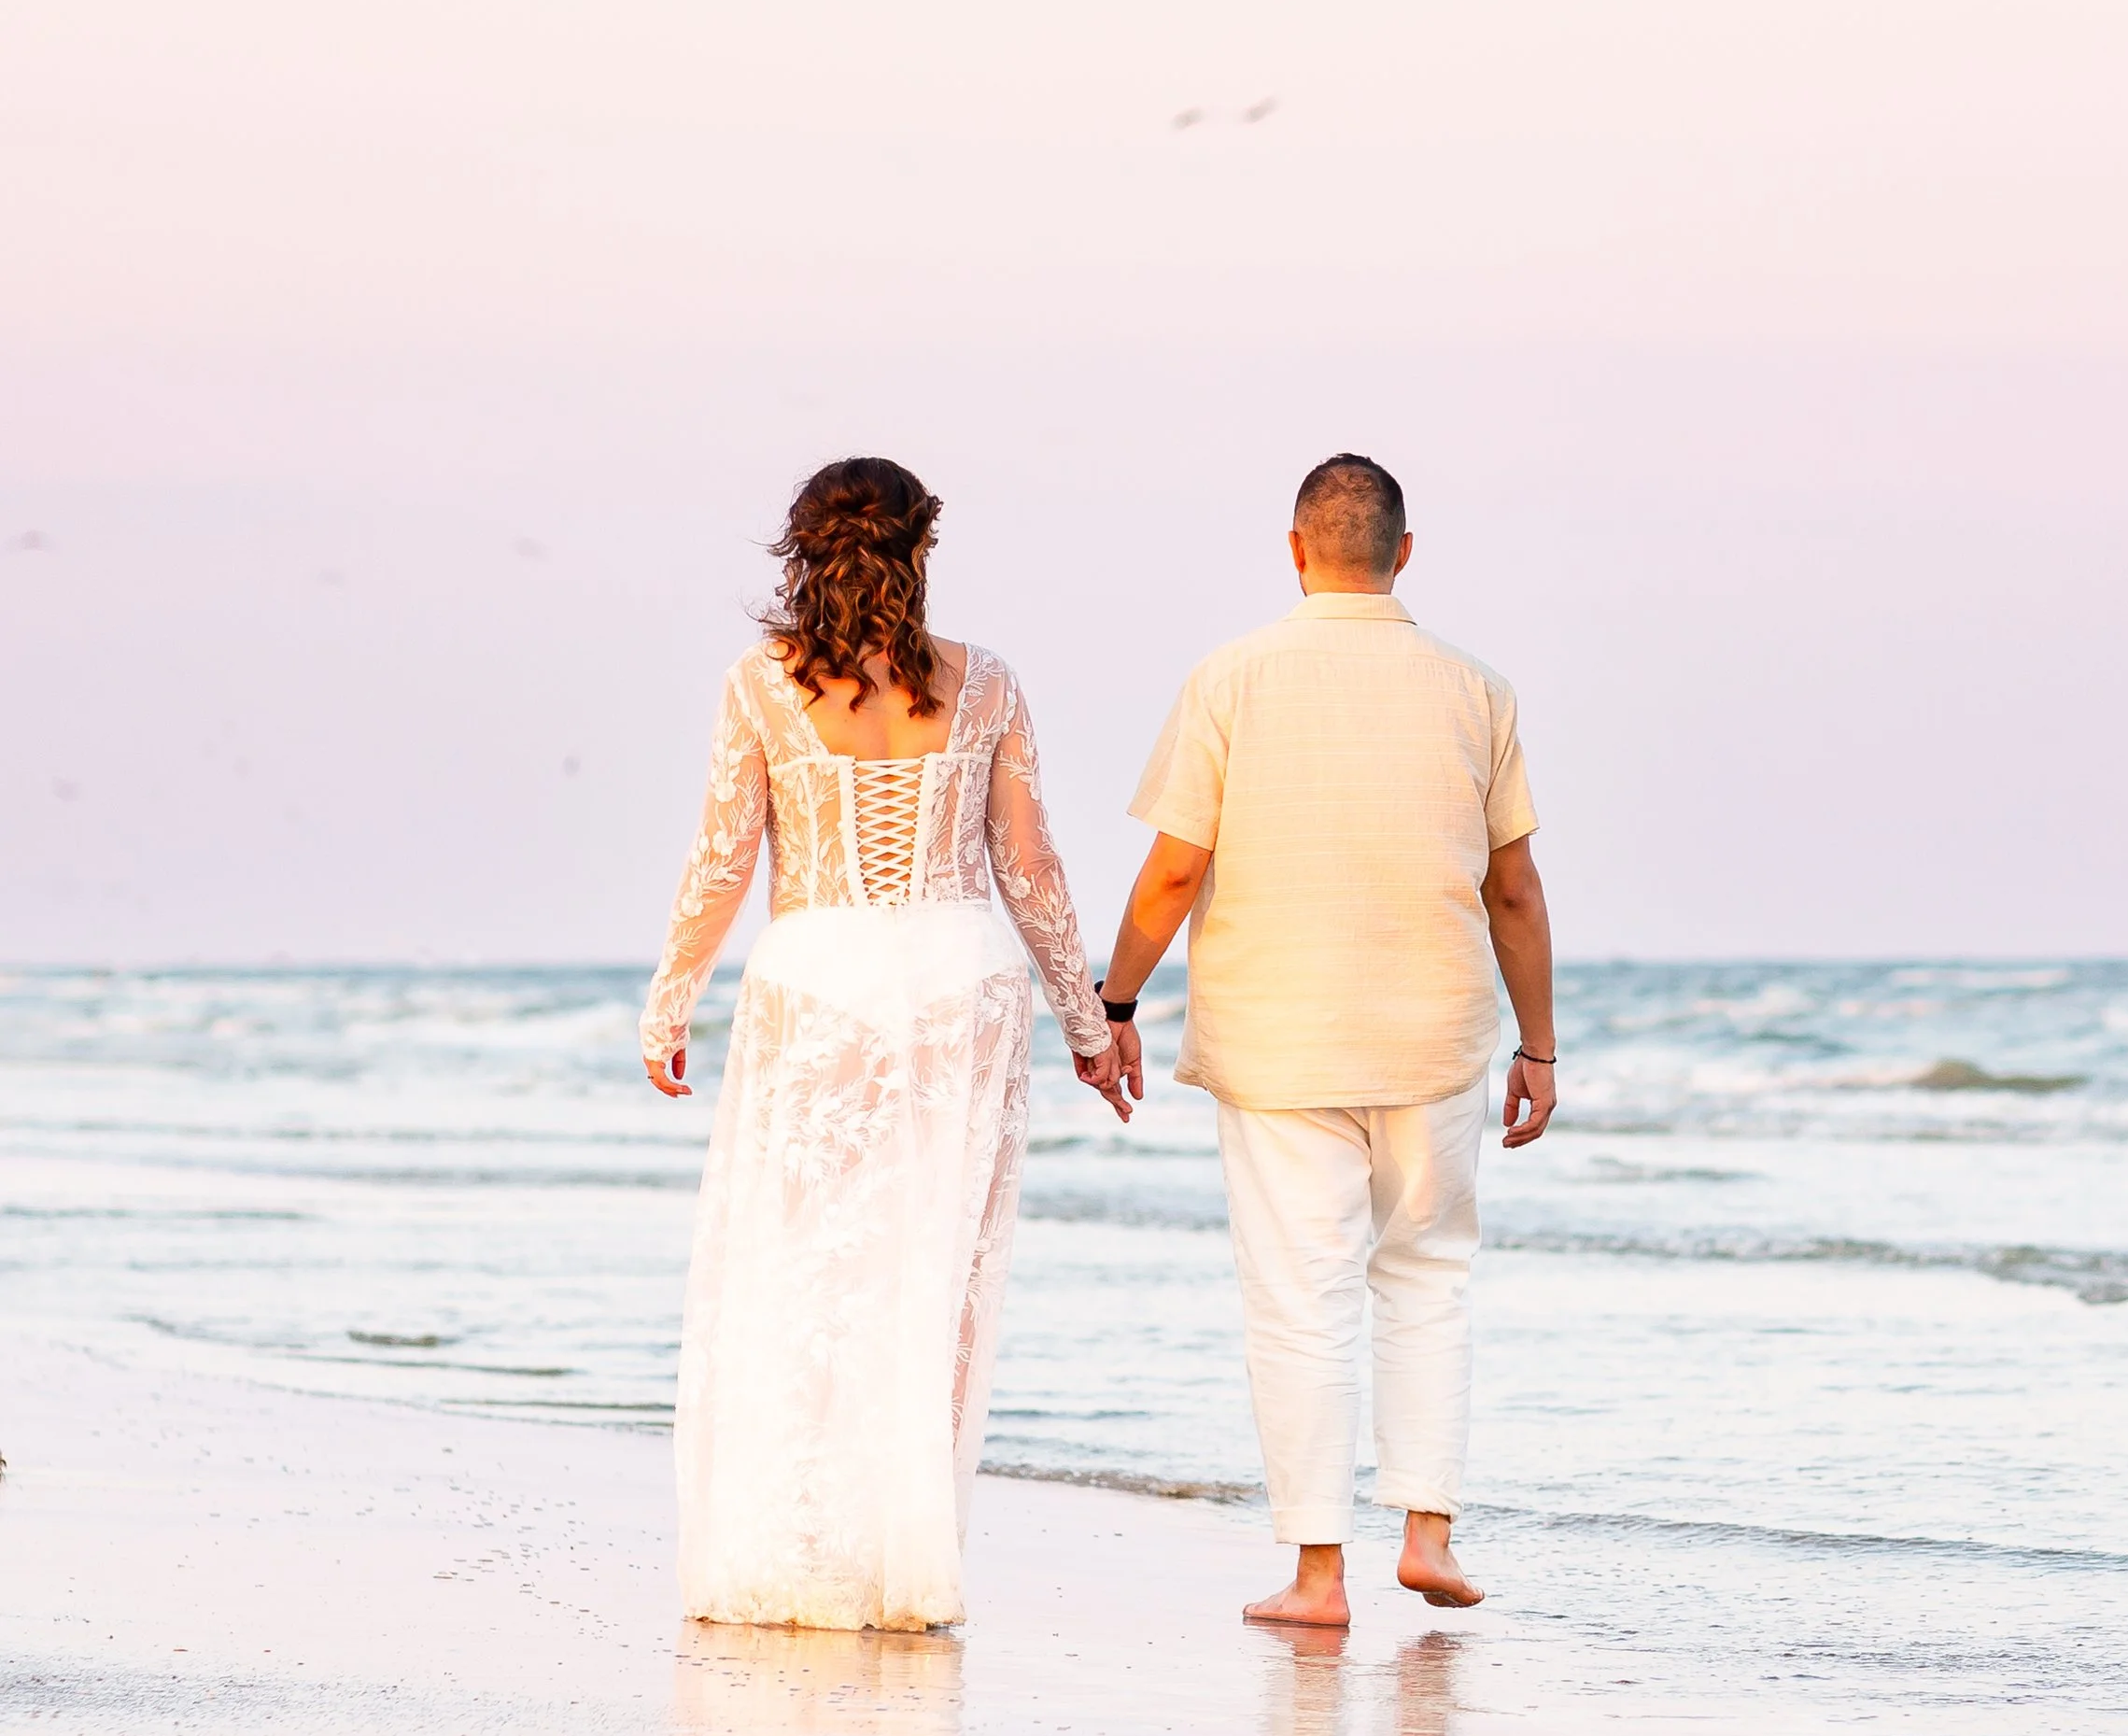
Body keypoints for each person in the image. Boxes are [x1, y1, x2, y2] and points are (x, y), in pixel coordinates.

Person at [641, 458, 1124, 1632]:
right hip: (962, 980)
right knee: (936, 1276)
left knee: (802, 1265)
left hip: (819, 981)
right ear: (923, 548)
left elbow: (723, 860)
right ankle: (910, 1567)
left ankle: (798, 1548)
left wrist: (670, 1001)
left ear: (803, 552)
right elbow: (1032, 866)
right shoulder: (988, 682)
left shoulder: (761, 686)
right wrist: (1088, 1022)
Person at [1096, 454, 1555, 1630]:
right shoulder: (1476, 689)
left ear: (1296, 552)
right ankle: (1429, 1535)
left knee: (1300, 1301)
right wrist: (1538, 1048)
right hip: (1436, 1036)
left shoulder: (1231, 679)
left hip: (1277, 1040)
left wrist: (1115, 1003)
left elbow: (1178, 867)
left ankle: (1316, 1579)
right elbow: (1512, 890)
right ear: (1404, 552)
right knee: (1428, 1279)